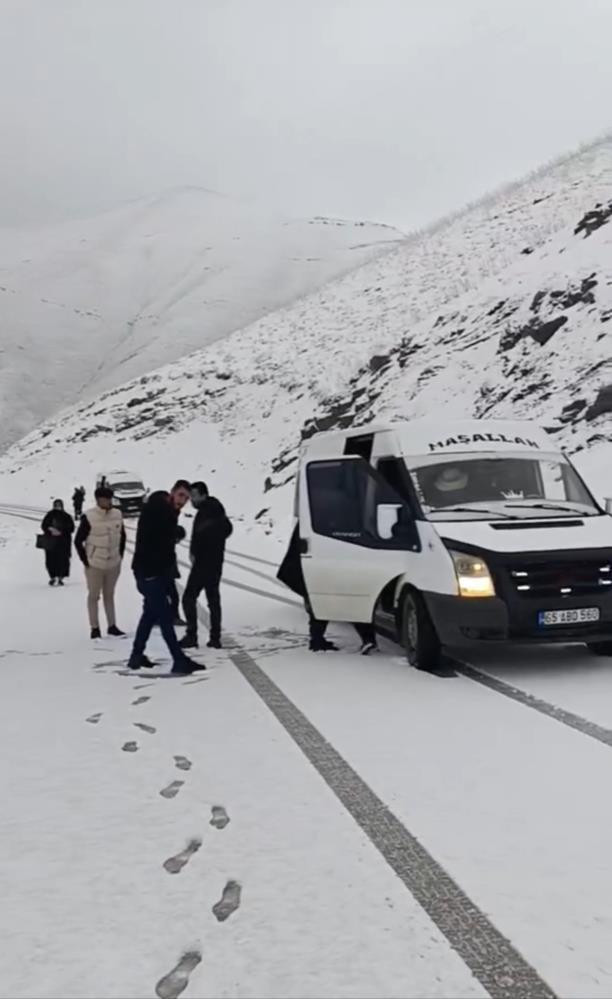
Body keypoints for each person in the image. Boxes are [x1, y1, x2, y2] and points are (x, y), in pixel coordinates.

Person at [127, 480, 204, 674]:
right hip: (150, 572)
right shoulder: (161, 511)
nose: (183, 500)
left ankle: (136, 656)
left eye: (186, 498)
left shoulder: (164, 509)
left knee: (149, 615)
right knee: (164, 617)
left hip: (152, 572)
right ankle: (178, 659)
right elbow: (158, 540)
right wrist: (174, 534)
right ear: (172, 493)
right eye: (180, 495)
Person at [277, 525, 377, 654]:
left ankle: (318, 640)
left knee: (324, 603)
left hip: (312, 567)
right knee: (339, 602)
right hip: (311, 568)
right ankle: (319, 641)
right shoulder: (322, 521)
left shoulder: (317, 517)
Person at [180, 482, 233, 650]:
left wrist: (197, 552)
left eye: (194, 496)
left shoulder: (207, 512)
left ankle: (192, 635)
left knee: (189, 598)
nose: (191, 500)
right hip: (215, 561)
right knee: (213, 599)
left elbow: (204, 535)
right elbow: (227, 529)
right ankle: (215, 637)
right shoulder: (216, 509)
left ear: (203, 495)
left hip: (204, 562)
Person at [74, 486, 126, 640]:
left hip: (114, 563)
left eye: (109, 499)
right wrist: (86, 560)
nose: (107, 502)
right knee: (94, 596)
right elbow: (78, 541)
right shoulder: (89, 516)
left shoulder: (117, 514)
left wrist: (120, 555)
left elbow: (122, 536)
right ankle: (95, 628)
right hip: (95, 564)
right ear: (98, 500)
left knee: (109, 595)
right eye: (104, 499)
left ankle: (112, 626)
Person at [40, 500, 75, 586]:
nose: (58, 507)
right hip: (51, 542)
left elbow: (71, 528)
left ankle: (60, 577)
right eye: (56, 505)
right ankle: (52, 577)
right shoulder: (49, 515)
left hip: (63, 542)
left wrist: (62, 532)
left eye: (59, 505)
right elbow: (44, 525)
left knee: (63, 560)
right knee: (51, 560)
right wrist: (50, 530)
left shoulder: (66, 516)